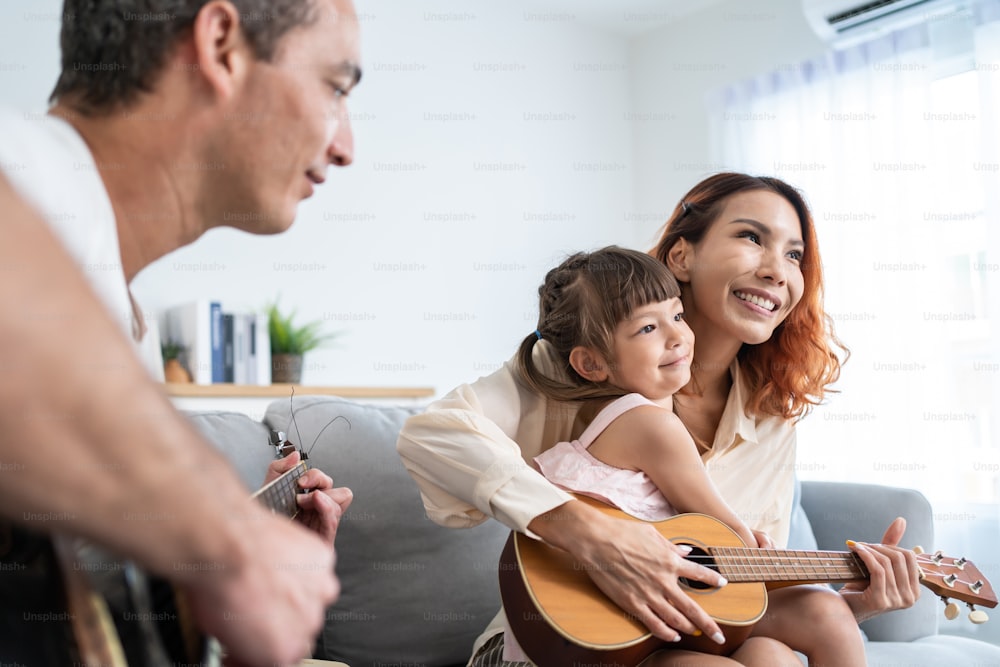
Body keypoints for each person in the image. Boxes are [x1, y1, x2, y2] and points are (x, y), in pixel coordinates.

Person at [397, 173, 922, 666]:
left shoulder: (771, 419)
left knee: (773, 656)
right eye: (751, 237)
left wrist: (852, 606)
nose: (777, 270)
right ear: (682, 255)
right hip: (557, 642)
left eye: (794, 255)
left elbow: (736, 589)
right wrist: (588, 533)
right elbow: (431, 437)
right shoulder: (570, 370)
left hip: (672, 637)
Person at [0, 0, 361, 665]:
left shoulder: (121, 326)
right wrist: (224, 535)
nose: (345, 148)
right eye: (335, 88)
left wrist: (238, 585)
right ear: (222, 44)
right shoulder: (19, 164)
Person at [494, 246, 865, 666]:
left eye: (677, 315)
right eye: (648, 328)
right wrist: (832, 565)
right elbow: (733, 534)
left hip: (626, 637)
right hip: (598, 643)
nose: (677, 336)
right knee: (826, 612)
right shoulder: (651, 425)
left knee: (770, 655)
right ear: (591, 364)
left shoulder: (616, 423)